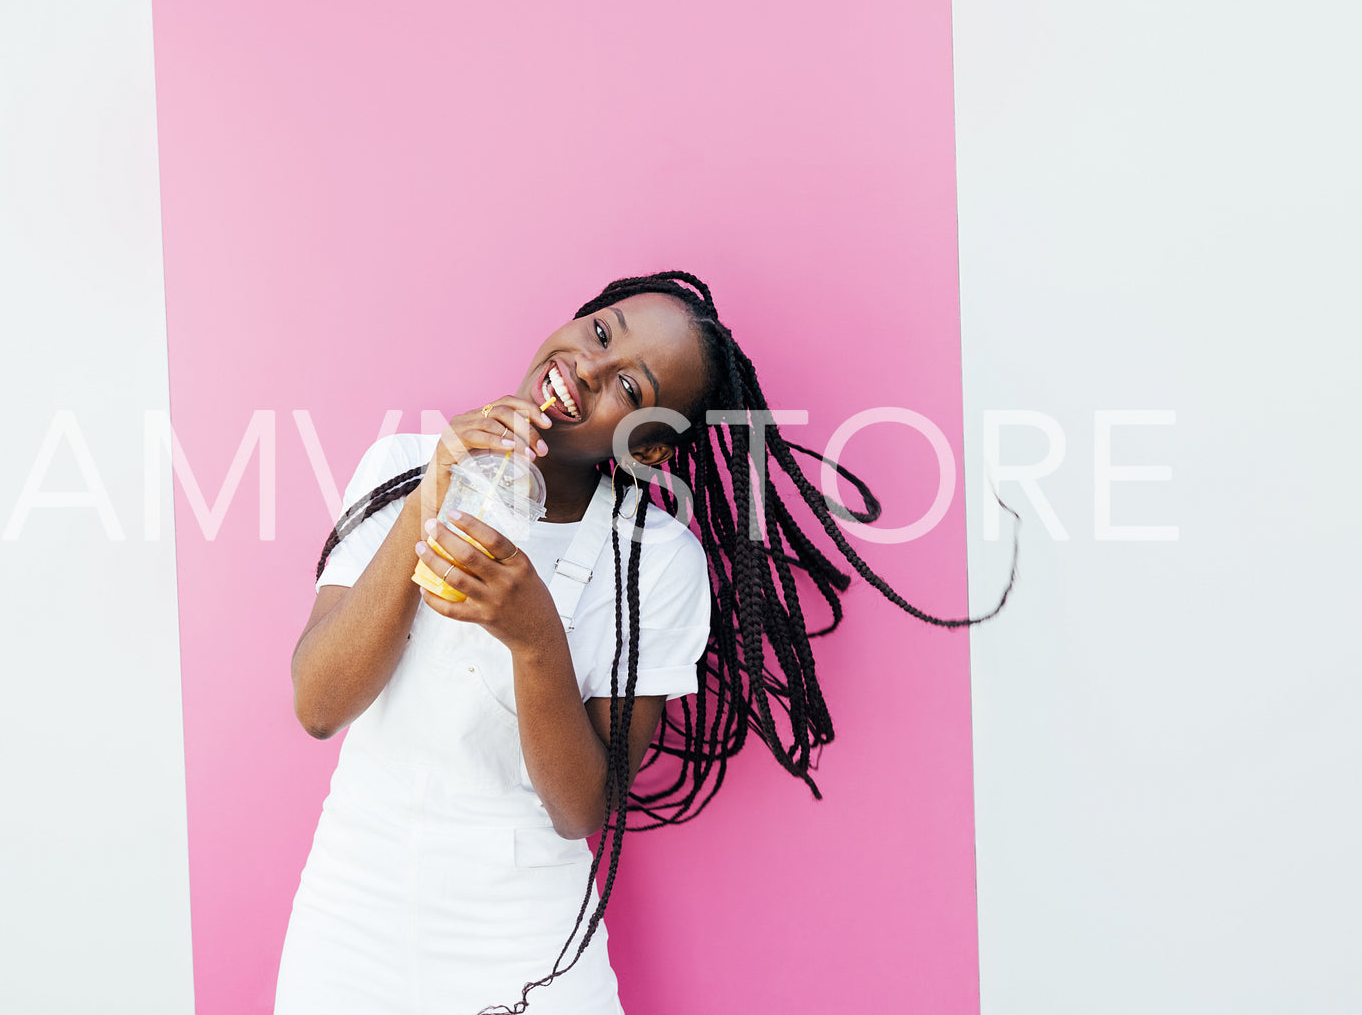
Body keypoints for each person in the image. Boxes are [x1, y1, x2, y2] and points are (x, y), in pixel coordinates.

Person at [273, 271, 1015, 1015]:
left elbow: (581, 810)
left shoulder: (654, 560)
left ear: (649, 450)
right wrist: (428, 499)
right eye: (600, 333)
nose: (588, 370)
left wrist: (535, 639)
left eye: (629, 389)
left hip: (519, 939)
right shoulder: (402, 466)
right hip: (350, 911)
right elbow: (319, 705)